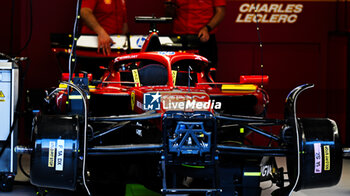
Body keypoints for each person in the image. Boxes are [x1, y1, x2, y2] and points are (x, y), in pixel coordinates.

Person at [165, 0, 226, 67]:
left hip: (203, 37)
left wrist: (207, 28)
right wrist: (169, 5)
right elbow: (169, 13)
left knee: (206, 72)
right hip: (180, 36)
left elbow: (220, 12)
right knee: (176, 71)